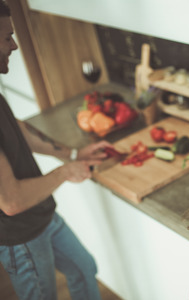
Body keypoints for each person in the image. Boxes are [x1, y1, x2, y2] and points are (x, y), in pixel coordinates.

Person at [0, 1, 111, 299]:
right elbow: (10, 201)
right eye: (7, 37)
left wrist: (73, 154)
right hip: (19, 236)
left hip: (42, 216)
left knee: (83, 268)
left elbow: (18, 130)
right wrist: (64, 172)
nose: (14, 45)